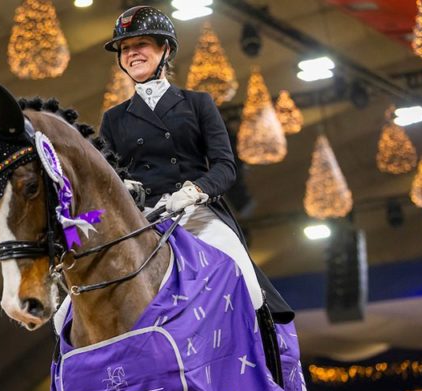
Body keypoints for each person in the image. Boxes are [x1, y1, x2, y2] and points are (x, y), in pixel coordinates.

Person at [99, 5, 294, 322]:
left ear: (165, 49)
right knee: (78, 300)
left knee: (247, 282)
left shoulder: (198, 103)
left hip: (196, 214)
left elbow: (225, 166)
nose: (131, 53)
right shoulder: (114, 119)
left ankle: (267, 349)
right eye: (125, 48)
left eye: (141, 44)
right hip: (143, 218)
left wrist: (195, 191)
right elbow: (107, 178)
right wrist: (123, 186)